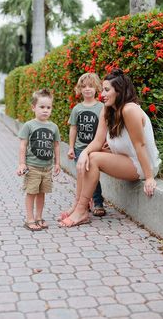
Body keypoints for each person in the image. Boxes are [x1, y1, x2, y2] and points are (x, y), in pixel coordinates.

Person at [58, 68, 161, 228]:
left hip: (141, 164)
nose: (102, 94)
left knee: (93, 158)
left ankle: (81, 210)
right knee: (86, 158)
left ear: (119, 91)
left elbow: (140, 145)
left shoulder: (129, 109)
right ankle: (78, 205)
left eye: (107, 90)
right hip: (125, 160)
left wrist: (149, 177)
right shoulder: (107, 110)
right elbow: (97, 142)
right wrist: (84, 152)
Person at [58, 72, 105, 221]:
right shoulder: (77, 109)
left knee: (93, 176)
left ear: (97, 88)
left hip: (95, 148)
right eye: (84, 86)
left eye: (91, 86)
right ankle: (82, 203)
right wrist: (71, 147)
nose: (87, 89)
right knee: (81, 175)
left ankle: (98, 203)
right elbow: (73, 129)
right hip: (79, 148)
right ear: (80, 89)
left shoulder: (101, 107)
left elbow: (106, 128)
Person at [17, 88, 61, 231]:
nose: (45, 110)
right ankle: (29, 219)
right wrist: (22, 164)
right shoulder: (29, 125)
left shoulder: (53, 127)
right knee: (31, 193)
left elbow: (56, 146)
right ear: (33, 107)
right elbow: (23, 145)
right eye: (42, 107)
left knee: (42, 193)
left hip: (46, 168)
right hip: (33, 167)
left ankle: (39, 217)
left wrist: (57, 163)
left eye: (48, 107)